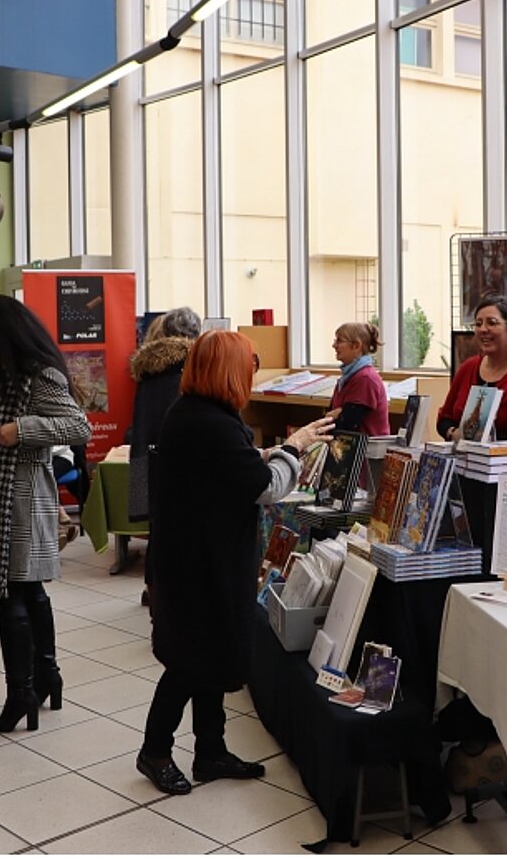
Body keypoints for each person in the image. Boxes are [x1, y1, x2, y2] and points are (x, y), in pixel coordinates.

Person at [137, 330, 335, 795]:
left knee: (209, 656)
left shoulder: (198, 415)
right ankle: (155, 751)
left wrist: (265, 454)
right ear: (228, 369)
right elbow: (265, 486)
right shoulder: (209, 422)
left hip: (199, 559)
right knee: (189, 662)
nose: (252, 372)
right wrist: (295, 447)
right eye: (249, 365)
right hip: (199, 566)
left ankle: (210, 751)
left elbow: (233, 466)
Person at [0, 295, 92, 732]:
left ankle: (21, 692)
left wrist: (20, 430)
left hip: (20, 496)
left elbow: (79, 427)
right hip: (15, 493)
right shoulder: (13, 377)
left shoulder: (41, 377)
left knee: (12, 596)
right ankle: (45, 676)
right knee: (30, 592)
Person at [124, 306, 200, 579]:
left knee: (159, 532)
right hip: (187, 467)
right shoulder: (196, 370)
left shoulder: (149, 371)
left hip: (152, 464)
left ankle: (154, 590)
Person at [436, 295, 507, 442]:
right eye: (478, 324)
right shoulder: (467, 368)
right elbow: (444, 418)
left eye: (492, 323)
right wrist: (454, 433)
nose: (483, 329)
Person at [326, 322, 390, 436]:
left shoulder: (365, 378)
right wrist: (338, 413)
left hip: (368, 450)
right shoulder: (347, 378)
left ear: (356, 346)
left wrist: (339, 414)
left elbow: (346, 423)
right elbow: (330, 418)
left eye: (339, 341)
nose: (334, 345)